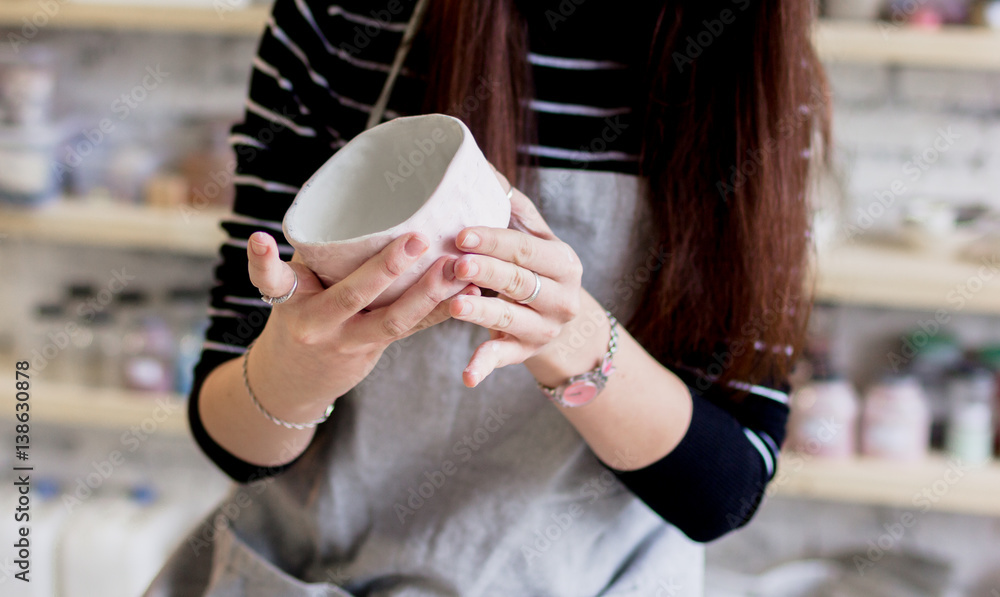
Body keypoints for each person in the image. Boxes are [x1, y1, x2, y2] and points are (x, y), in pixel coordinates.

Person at [146, 0, 829, 595]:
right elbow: (230, 436)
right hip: (321, 569)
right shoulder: (341, 19)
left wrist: (568, 335)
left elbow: (728, 484)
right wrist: (299, 367)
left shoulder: (742, 51)